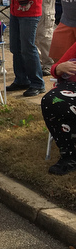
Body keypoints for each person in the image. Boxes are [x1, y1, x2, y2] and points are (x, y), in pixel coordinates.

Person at [42, 40, 76, 175]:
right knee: (50, 100)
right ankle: (69, 155)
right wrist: (59, 68)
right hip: (72, 88)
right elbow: (55, 68)